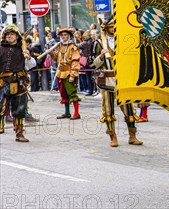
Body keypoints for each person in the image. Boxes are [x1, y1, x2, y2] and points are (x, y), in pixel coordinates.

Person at [91, 17, 143, 147]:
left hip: (123, 80)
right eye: (110, 27)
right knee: (108, 110)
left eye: (115, 26)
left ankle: (132, 136)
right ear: (106, 28)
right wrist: (102, 56)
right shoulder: (99, 43)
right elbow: (92, 64)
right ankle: (113, 137)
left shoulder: (124, 41)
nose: (113, 29)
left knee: (129, 108)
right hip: (108, 80)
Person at [0, 25, 36, 142]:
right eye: (7, 34)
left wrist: (28, 56)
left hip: (20, 82)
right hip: (3, 82)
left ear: (17, 36)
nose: (9, 36)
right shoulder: (0, 48)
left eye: (12, 34)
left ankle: (19, 133)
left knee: (20, 109)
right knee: (0, 106)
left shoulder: (23, 49)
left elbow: (31, 66)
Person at [50, 28, 82, 120]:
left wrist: (72, 75)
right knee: (63, 93)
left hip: (68, 73)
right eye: (62, 35)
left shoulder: (73, 47)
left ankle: (76, 113)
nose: (63, 37)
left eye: (65, 35)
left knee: (72, 93)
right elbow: (57, 59)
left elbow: (75, 62)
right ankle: (67, 113)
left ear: (69, 36)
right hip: (60, 73)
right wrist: (52, 54)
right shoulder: (59, 46)